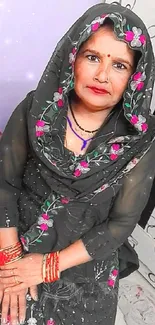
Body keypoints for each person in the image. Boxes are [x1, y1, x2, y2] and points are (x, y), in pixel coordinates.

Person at [0, 2, 155, 325]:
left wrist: (45, 266)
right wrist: (12, 262)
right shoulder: (35, 108)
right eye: (93, 57)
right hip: (15, 240)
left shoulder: (141, 138)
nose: (102, 75)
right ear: (72, 58)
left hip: (83, 266)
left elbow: (120, 225)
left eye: (120, 65)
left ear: (135, 77)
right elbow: (5, 184)